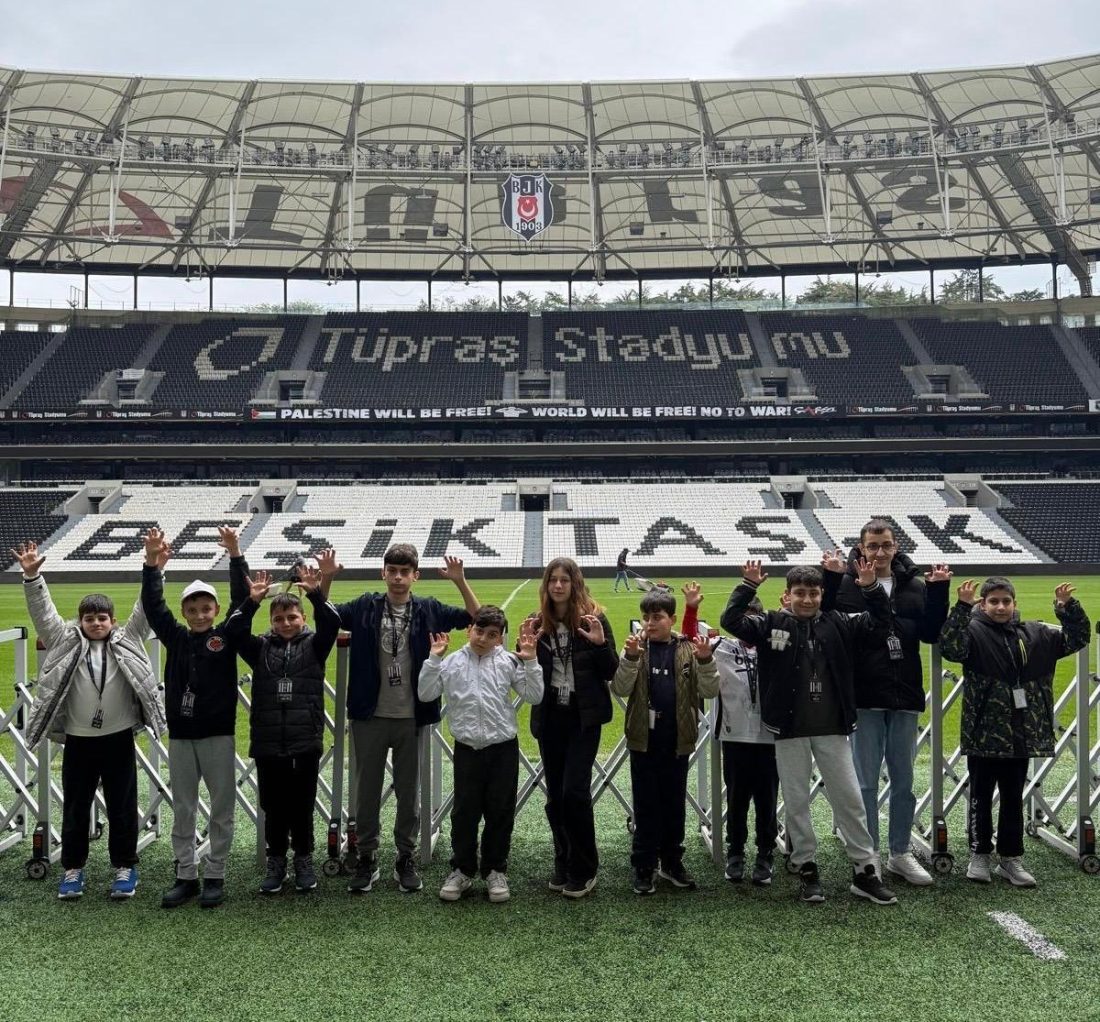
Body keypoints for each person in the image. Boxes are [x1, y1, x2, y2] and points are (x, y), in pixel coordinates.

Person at [720, 556, 898, 906]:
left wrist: (870, 588)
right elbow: (731, 620)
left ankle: (865, 871)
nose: (807, 599)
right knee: (797, 802)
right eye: (800, 593)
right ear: (787, 595)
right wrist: (749, 585)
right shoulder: (771, 623)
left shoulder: (839, 621)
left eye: (814, 593)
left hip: (833, 728)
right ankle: (806, 868)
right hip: (790, 729)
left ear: (821, 595)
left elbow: (881, 622)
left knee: (849, 800)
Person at [319, 545, 479, 895]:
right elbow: (326, 616)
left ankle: (405, 856)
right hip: (370, 714)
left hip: (412, 715)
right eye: (392, 570)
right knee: (366, 791)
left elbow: (476, 618)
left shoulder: (429, 609)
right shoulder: (365, 606)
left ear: (415, 576)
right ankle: (367, 856)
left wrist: (460, 581)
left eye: (404, 572)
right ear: (383, 573)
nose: (397, 577)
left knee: (409, 792)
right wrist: (326, 578)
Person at [12, 540, 166, 902]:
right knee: (76, 807)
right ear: (79, 621)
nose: (96, 623)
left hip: (118, 738)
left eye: (102, 618)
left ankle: (125, 867)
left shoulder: (129, 638)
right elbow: (43, 614)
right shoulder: (63, 640)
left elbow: (145, 609)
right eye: (89, 618)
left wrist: (155, 568)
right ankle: (72, 869)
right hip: (78, 740)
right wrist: (33, 577)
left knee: (123, 807)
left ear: (113, 621)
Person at [822, 519, 951, 887]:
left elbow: (930, 633)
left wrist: (939, 591)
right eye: (873, 545)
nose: (880, 552)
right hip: (864, 694)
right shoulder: (847, 584)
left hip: (904, 691)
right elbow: (825, 620)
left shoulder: (914, 585)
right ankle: (869, 854)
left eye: (886, 545)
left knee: (903, 780)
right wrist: (830, 577)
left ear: (896, 547)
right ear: (861, 548)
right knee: (864, 782)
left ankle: (899, 852)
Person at [939, 576, 1088, 887]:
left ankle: (1010, 858)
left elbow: (1077, 639)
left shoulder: (1035, 633)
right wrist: (962, 608)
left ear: (1014, 604)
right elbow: (951, 647)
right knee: (980, 796)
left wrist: (1066, 608)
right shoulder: (973, 632)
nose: (1000, 607)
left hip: (1021, 732)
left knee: (1013, 798)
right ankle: (979, 854)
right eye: (993, 601)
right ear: (983, 604)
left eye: (1006, 601)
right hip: (984, 733)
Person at [141, 525, 250, 909]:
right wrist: (151, 564)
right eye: (192, 610)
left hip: (218, 734)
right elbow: (154, 607)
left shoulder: (226, 636)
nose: (200, 615)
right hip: (182, 736)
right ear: (184, 612)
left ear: (216, 611)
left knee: (222, 809)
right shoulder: (176, 637)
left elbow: (241, 601)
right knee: (183, 808)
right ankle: (186, 875)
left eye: (206, 609)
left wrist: (235, 553)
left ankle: (215, 874)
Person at [225, 565, 341, 894]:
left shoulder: (316, 645)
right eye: (279, 619)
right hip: (268, 741)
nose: (286, 623)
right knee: (273, 806)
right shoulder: (260, 648)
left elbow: (332, 622)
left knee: (302, 804)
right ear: (271, 621)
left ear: (302, 618)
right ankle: (276, 860)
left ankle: (303, 858)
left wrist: (315, 593)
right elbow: (233, 631)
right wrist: (252, 601)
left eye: (292, 617)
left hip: (305, 739)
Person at [418, 606, 543, 903]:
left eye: (492, 634)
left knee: (500, 812)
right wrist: (433, 659)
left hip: (503, 748)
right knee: (465, 812)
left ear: (500, 638)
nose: (483, 639)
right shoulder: (451, 662)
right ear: (469, 630)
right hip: (467, 749)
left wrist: (531, 661)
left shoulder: (508, 661)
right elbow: (425, 693)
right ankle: (462, 869)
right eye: (479, 631)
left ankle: (495, 869)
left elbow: (534, 695)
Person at [611, 587, 718, 894]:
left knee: (674, 804)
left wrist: (706, 660)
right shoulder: (636, 648)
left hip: (677, 739)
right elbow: (619, 688)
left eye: (657, 617)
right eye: (646, 617)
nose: (650, 623)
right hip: (643, 740)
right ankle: (644, 865)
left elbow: (709, 691)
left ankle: (671, 861)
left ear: (671, 618)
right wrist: (631, 658)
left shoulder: (687, 649)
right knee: (646, 804)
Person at [526, 557, 617, 898]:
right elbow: (527, 672)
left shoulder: (594, 619)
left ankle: (585, 867)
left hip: (583, 718)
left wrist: (599, 645)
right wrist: (527, 652)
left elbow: (611, 671)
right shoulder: (538, 623)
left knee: (574, 793)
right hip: (551, 717)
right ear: (546, 585)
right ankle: (563, 859)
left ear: (575, 583)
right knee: (555, 796)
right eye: (553, 579)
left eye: (565, 579)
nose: (558, 585)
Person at [680, 582, 778, 887]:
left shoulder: (774, 646)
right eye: (744, 618)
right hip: (734, 736)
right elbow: (689, 640)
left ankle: (766, 853)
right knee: (736, 798)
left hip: (770, 736)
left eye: (755, 618)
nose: (749, 624)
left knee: (767, 799)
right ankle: (735, 851)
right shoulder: (722, 645)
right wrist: (692, 608)